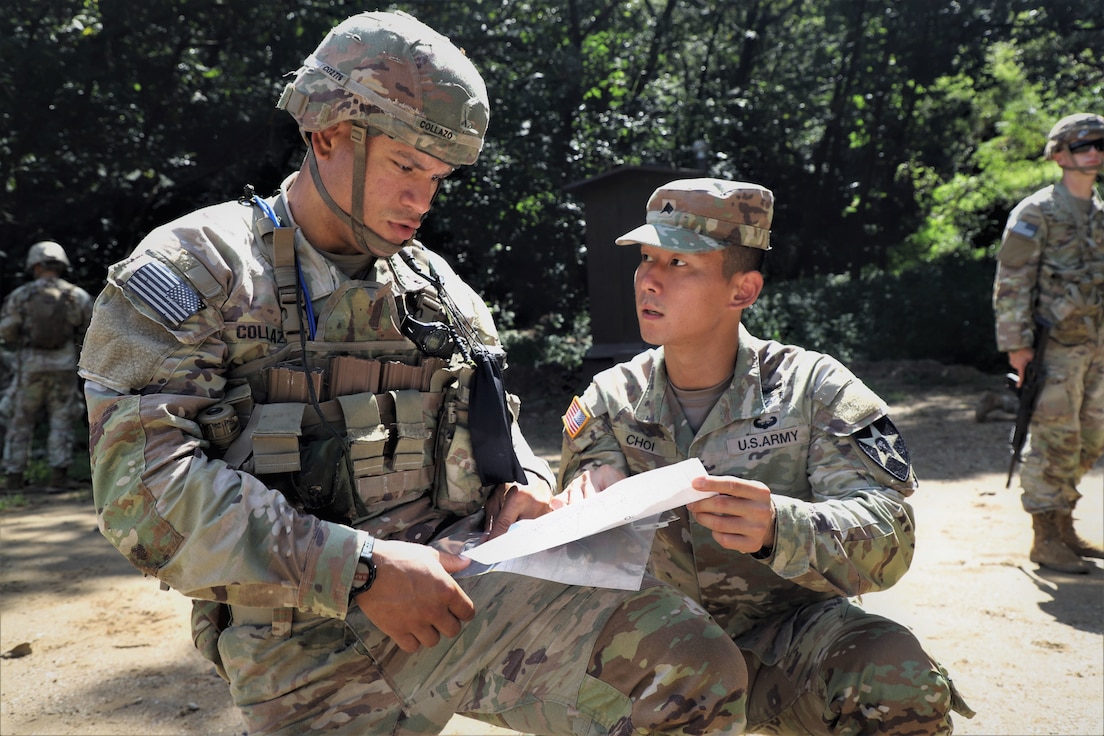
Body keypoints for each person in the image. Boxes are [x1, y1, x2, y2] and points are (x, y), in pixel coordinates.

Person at [78, 12, 748, 735]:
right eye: (405, 167)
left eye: (437, 177)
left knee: (689, 664)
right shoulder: (199, 270)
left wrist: (522, 491)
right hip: (305, 642)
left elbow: (498, 432)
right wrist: (360, 569)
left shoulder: (438, 290)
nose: (422, 201)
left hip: (462, 598)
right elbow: (141, 495)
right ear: (327, 135)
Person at [555, 178, 973, 735]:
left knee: (894, 671)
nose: (649, 280)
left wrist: (781, 525)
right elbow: (570, 530)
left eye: (680, 264)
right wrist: (584, 493)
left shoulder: (812, 389)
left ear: (742, 291)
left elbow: (890, 535)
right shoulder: (610, 400)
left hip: (787, 642)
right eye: (648, 259)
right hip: (653, 651)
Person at [991, 112, 1104, 574]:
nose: (1094, 152)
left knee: (1090, 439)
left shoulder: (1099, 213)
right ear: (1059, 154)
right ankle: (1044, 538)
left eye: (1100, 144)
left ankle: (1064, 526)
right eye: (1083, 145)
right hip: (1052, 347)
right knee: (1055, 439)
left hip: (1096, 347)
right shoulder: (1037, 211)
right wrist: (1017, 346)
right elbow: (1012, 280)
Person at [1, 240, 93, 492]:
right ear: (61, 264)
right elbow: (91, 332)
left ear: (35, 265)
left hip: (29, 366)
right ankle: (58, 478)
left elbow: (7, 332)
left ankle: (14, 478)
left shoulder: (22, 295)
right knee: (61, 419)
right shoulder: (77, 295)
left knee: (20, 420)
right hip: (63, 366)